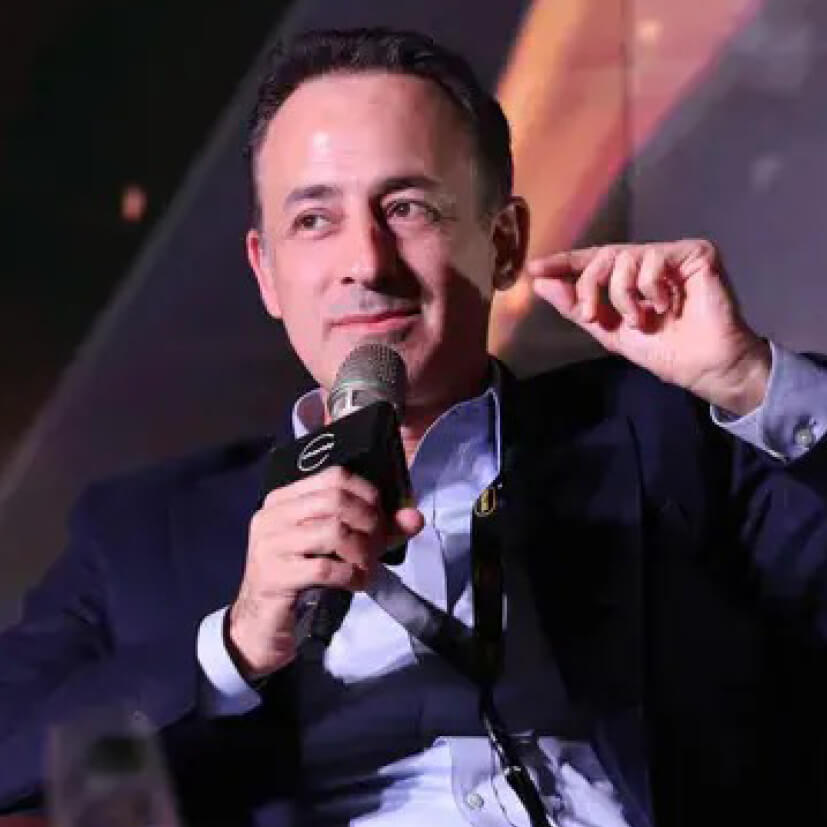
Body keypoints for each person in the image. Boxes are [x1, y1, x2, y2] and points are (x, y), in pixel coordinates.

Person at [2, 27, 827, 827]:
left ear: (503, 243)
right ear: (267, 272)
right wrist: (235, 642)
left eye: (406, 208)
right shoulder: (144, 531)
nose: (366, 261)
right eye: (314, 220)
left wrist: (748, 378)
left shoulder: (668, 429)